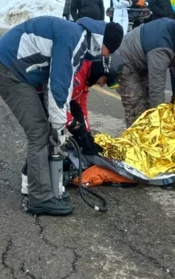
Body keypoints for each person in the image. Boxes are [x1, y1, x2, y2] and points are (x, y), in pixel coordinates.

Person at [0, 16, 124, 216]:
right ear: (105, 43)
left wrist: (65, 126)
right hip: (8, 70)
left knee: (46, 130)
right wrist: (61, 125)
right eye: (109, 51)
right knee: (40, 132)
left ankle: (40, 187)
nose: (106, 55)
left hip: (15, 71)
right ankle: (40, 198)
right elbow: (59, 86)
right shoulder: (76, 38)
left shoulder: (80, 37)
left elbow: (63, 87)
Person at [21, 52, 124, 195]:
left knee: (61, 132)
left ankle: (40, 179)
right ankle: (31, 184)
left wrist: (86, 134)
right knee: (45, 135)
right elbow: (54, 102)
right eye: (105, 80)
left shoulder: (87, 76)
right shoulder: (76, 71)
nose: (101, 85)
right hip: (33, 90)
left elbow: (80, 103)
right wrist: (70, 121)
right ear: (100, 70)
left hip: (49, 96)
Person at [117, 18, 175, 127]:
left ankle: (148, 134)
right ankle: (135, 140)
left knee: (148, 103)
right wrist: (161, 120)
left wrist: (173, 58)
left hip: (139, 58)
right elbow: (156, 89)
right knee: (136, 104)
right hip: (125, 62)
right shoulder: (161, 51)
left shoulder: (174, 29)